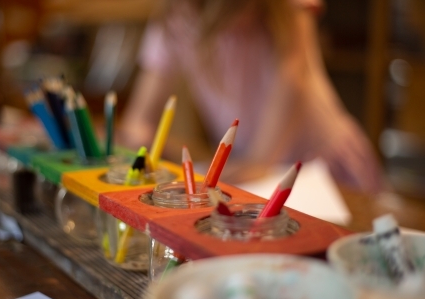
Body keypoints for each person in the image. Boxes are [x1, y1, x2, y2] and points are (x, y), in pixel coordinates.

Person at [119, 0, 385, 193]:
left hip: (321, 168)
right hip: (255, 172)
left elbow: (293, 75)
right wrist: (133, 142)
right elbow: (139, 122)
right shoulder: (177, 17)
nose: (205, 17)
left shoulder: (286, 11)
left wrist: (259, 162)